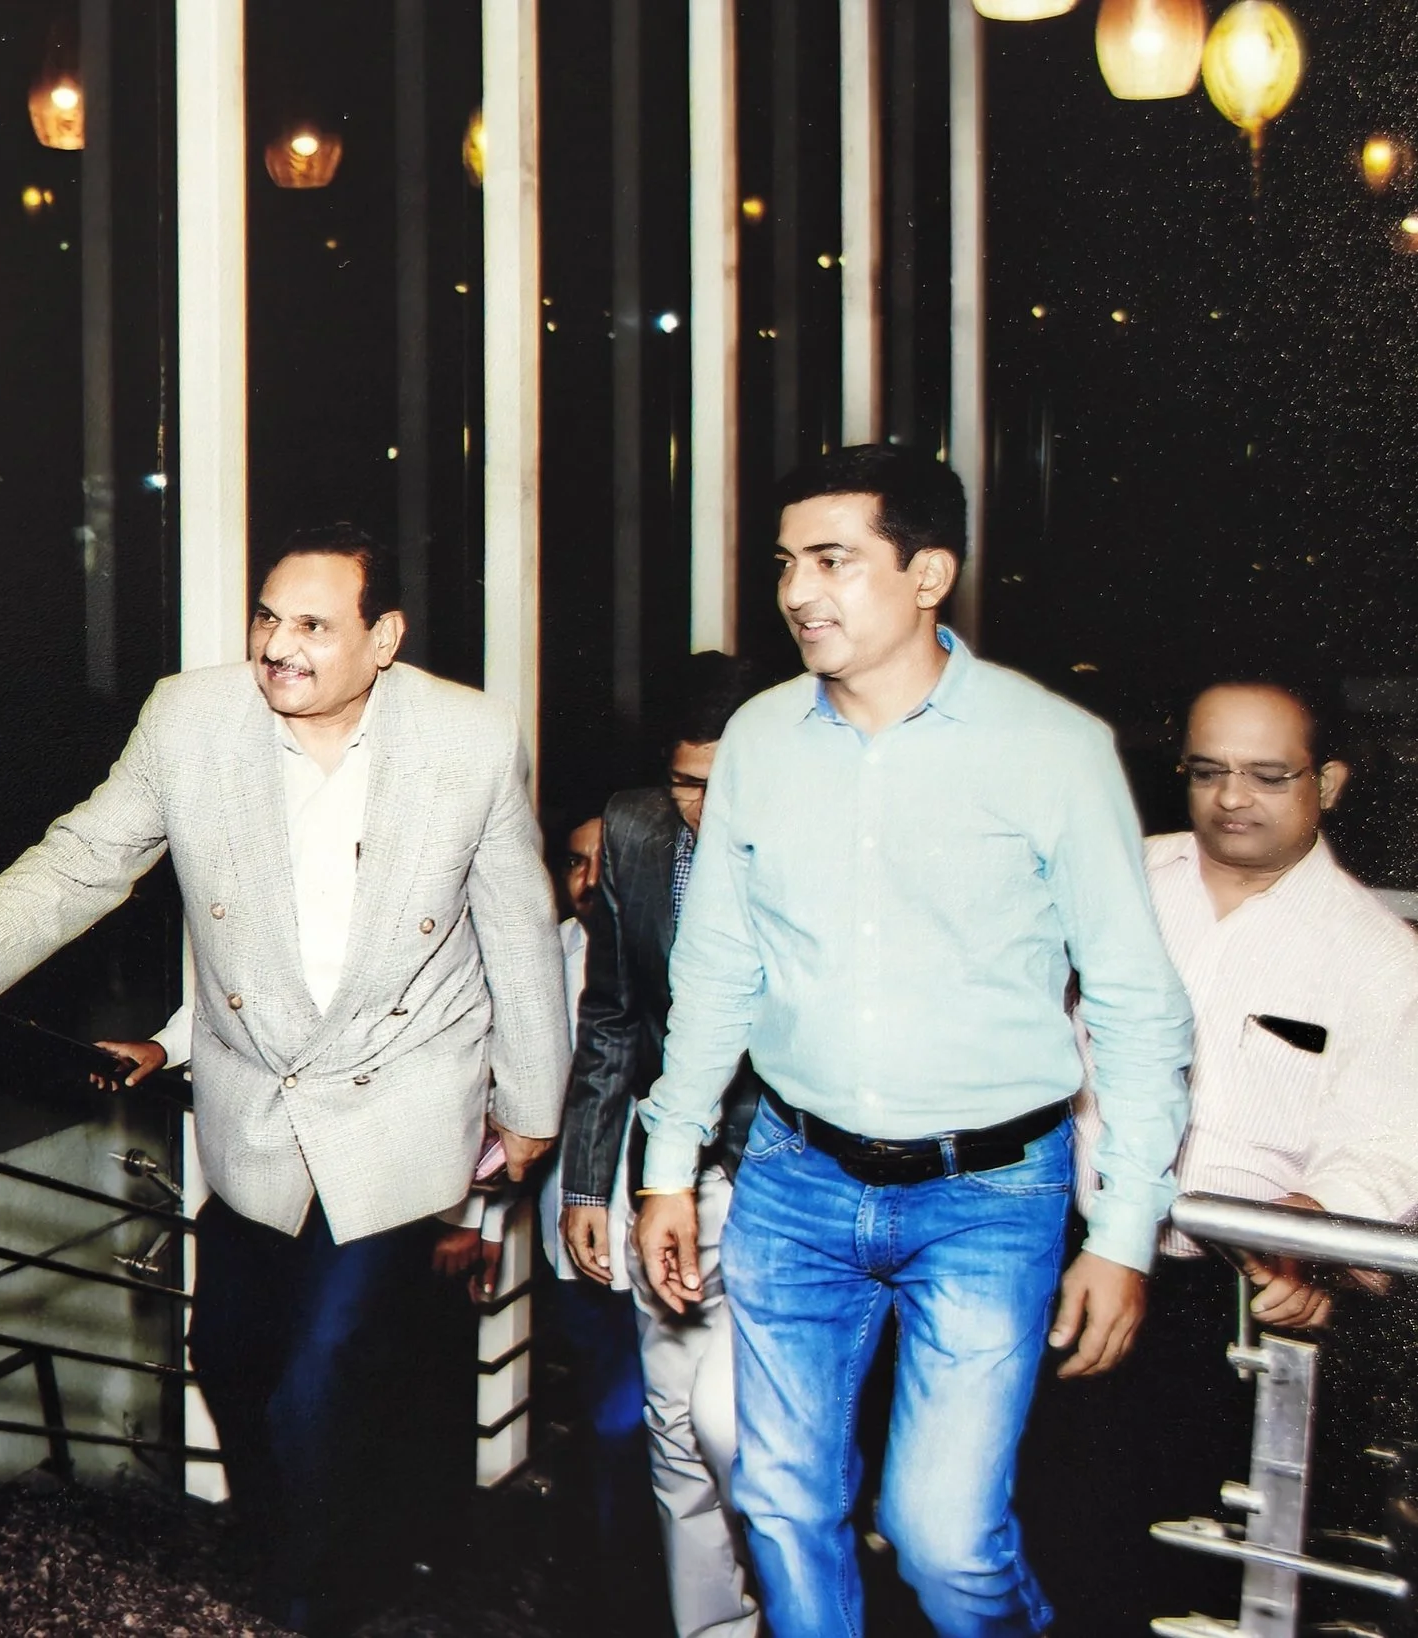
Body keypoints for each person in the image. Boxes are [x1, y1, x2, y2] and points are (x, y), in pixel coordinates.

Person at [0, 524, 569, 1636]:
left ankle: (306, 1606)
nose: (277, 647)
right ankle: (303, 1551)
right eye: (267, 617)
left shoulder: (466, 737)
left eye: (313, 626)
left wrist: (530, 1105)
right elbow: (85, 860)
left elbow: (518, 930)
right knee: (227, 1359)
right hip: (258, 1106)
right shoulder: (194, 720)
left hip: (402, 1100)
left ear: (385, 638)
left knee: (322, 1381)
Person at [632, 444, 1194, 1637]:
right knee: (781, 1510)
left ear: (929, 572)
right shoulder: (763, 743)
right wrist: (669, 1165)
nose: (798, 593)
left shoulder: (1054, 748)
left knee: (945, 1544)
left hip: (992, 1194)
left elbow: (1141, 1004)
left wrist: (1128, 1232)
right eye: (787, 563)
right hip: (793, 1178)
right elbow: (719, 971)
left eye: (834, 560)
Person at [1049, 678, 1418, 1628]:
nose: (1230, 799)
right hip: (1063, 1259)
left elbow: (1382, 1144)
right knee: (1044, 1547)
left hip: (1230, 1305)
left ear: (1326, 782)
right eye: (1206, 772)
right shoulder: (1115, 881)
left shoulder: (1379, 956)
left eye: (1266, 775)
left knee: (1190, 1583)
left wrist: (1310, 1231)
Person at [561, 651, 766, 1638]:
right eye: (687, 781)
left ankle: (797, 1598)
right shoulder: (637, 831)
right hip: (663, 1185)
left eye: (725, 784)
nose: (702, 807)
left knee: (741, 1436)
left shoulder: (826, 841)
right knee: (675, 1433)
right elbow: (609, 1020)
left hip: (782, 1181)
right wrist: (587, 1188)